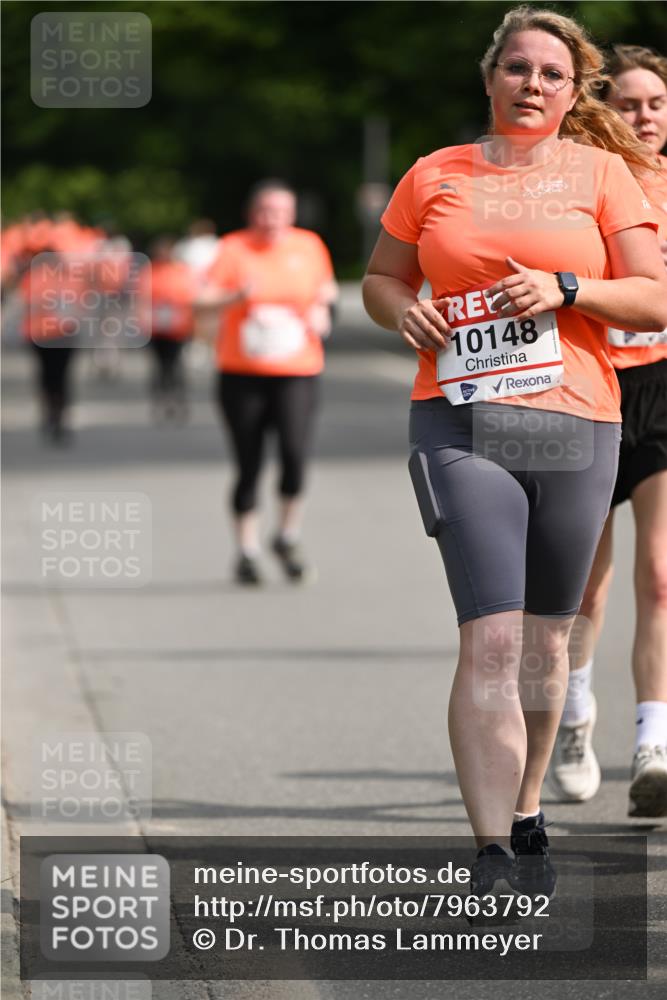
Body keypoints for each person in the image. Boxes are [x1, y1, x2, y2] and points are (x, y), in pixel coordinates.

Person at [362, 5, 667, 900]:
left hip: (576, 421)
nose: (531, 84)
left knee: (546, 644)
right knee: (489, 640)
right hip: (460, 422)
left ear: (571, 92)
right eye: (517, 68)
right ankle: (491, 848)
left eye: (550, 75)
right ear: (489, 76)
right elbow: (384, 277)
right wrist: (400, 310)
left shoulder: (603, 174)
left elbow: (652, 301)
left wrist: (566, 286)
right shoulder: (433, 174)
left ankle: (529, 804)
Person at [549, 45, 667, 817]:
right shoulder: (574, 184)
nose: (645, 118)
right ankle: (574, 716)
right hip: (588, 385)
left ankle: (652, 745)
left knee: (659, 576)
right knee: (586, 589)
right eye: (629, 104)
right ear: (602, 110)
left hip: (660, 384)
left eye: (656, 105)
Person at [204, 180, 337, 585]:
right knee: (249, 463)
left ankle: (286, 534)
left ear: (292, 215)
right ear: (252, 213)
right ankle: (246, 550)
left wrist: (320, 308)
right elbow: (200, 299)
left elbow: (326, 287)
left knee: (295, 454)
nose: (273, 219)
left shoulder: (309, 245)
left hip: (298, 370)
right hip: (241, 371)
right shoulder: (233, 248)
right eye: (265, 211)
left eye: (281, 211)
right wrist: (236, 298)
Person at [140, 236, 198, 422]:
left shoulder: (182, 271)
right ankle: (161, 401)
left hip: (178, 327)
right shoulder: (149, 272)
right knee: (160, 367)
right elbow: (141, 298)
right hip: (156, 328)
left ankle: (178, 401)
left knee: (176, 366)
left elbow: (191, 296)